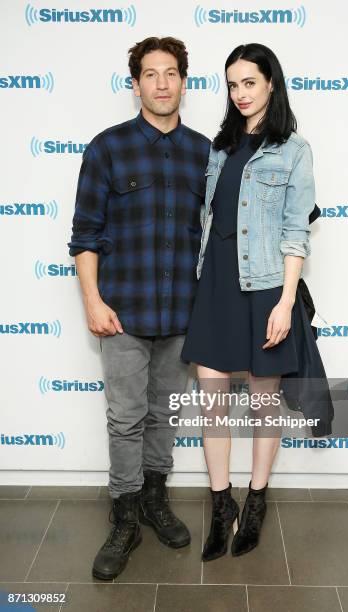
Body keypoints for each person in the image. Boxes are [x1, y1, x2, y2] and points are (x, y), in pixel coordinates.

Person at [181, 43, 333, 561]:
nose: (240, 93)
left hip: (266, 287)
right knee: (213, 402)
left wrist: (286, 302)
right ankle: (222, 504)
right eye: (232, 84)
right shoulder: (220, 147)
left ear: (271, 83)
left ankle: (258, 498)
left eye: (249, 82)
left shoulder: (294, 149)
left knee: (264, 402)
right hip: (217, 286)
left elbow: (296, 232)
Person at [68, 36, 210, 580]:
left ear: (183, 81)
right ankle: (124, 513)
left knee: (163, 415)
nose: (161, 84)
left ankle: (155, 496)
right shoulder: (107, 148)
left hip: (182, 315)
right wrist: (92, 300)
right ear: (136, 85)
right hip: (122, 313)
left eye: (170, 73)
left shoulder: (205, 153)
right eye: (150, 74)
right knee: (125, 417)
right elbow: (85, 235)